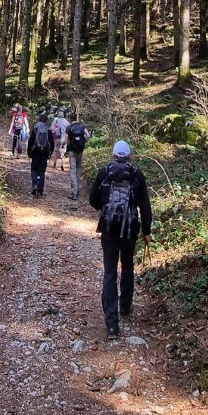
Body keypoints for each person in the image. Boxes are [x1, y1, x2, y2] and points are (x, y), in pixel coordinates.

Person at [89, 140, 152, 339]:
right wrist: (146, 231)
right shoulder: (136, 174)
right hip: (130, 229)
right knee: (126, 266)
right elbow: (145, 206)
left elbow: (93, 199)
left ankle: (112, 326)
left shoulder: (104, 171)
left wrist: (105, 206)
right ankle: (125, 306)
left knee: (109, 272)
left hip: (108, 228)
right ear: (129, 155)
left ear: (114, 154)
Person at [27, 111, 54, 197]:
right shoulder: (48, 130)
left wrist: (29, 152)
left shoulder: (35, 128)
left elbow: (30, 141)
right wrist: (50, 153)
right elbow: (52, 143)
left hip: (35, 152)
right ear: (46, 121)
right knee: (41, 172)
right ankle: (40, 190)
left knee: (34, 170)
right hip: (44, 153)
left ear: (39, 120)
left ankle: (34, 185)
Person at [65, 111, 90, 201]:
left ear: (70, 119)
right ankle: (78, 190)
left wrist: (65, 145)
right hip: (80, 150)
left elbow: (65, 140)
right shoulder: (82, 126)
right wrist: (83, 141)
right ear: (76, 118)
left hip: (72, 150)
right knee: (78, 169)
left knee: (72, 170)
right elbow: (88, 135)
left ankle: (74, 192)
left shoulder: (69, 127)